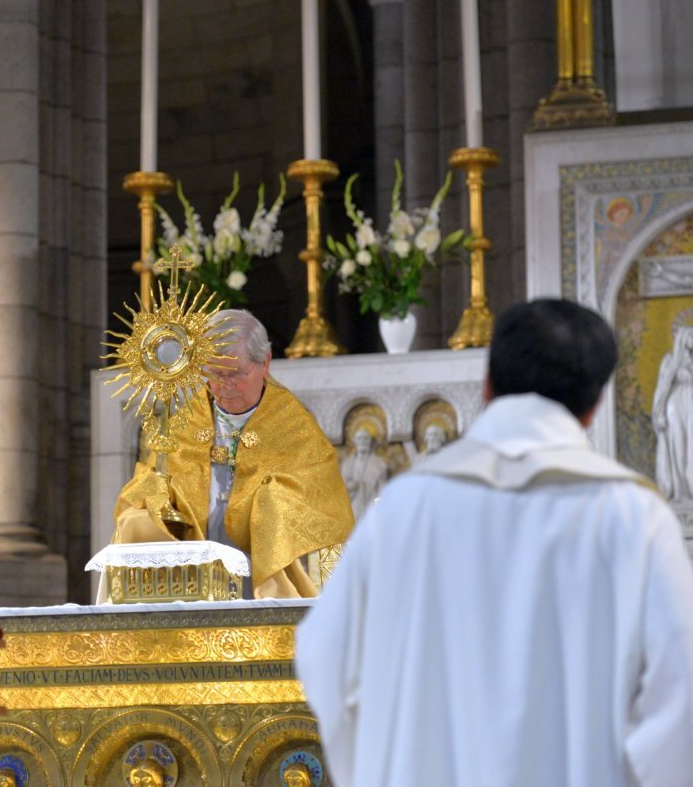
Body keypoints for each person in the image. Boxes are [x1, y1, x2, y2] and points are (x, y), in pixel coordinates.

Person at [296, 299, 693, 787]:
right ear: (592, 409)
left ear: (488, 386)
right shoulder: (633, 516)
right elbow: (680, 688)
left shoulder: (404, 508)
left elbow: (324, 654)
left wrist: (381, 767)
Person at [113, 309, 354, 598]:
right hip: (197, 581)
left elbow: (322, 508)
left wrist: (269, 500)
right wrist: (157, 496)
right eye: (214, 374)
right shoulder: (186, 423)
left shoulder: (295, 428)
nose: (223, 386)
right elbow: (153, 481)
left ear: (264, 364)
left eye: (235, 374)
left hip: (261, 577)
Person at [652, 324, 693, 502]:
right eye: (688, 346)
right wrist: (659, 412)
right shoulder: (671, 361)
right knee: (678, 447)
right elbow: (663, 388)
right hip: (675, 407)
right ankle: (681, 492)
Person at [339, 426, 387, 521]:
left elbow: (383, 489)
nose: (363, 441)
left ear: (370, 441)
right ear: (354, 441)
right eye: (359, 438)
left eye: (366, 438)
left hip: (372, 507)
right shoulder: (347, 464)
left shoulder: (380, 464)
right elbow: (340, 491)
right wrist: (350, 487)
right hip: (353, 508)